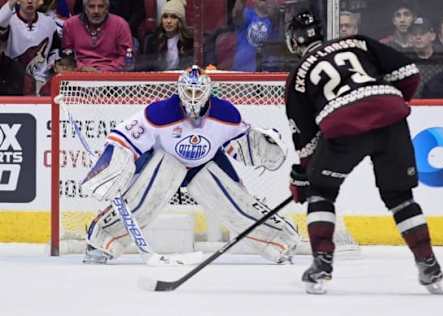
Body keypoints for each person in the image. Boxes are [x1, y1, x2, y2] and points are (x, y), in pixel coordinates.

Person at [284, 11, 443, 295]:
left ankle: (322, 264)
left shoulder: (298, 75)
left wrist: (305, 175)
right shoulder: (357, 42)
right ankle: (428, 264)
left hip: (343, 126)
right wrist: (384, 103)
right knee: (400, 197)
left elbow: (306, 138)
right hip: (390, 118)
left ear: (295, 40)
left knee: (321, 192)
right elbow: (409, 74)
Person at [80, 65, 300, 265]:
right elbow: (125, 136)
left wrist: (261, 142)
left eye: (197, 92)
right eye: (188, 92)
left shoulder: (226, 113)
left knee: (239, 205)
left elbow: (239, 141)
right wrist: (109, 161)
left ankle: (281, 241)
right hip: (167, 159)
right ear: (179, 90)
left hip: (207, 161)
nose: (193, 98)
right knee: (141, 205)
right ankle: (100, 241)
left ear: (208, 92)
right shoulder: (160, 113)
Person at [0, 0, 61, 95]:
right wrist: (11, 2)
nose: (29, 1)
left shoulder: (49, 22)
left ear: (39, 1)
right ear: (18, 1)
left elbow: (55, 48)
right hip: (14, 81)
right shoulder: (9, 21)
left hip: (42, 79)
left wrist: (53, 61)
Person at [62, 0, 133, 72]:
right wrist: (82, 68)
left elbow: (125, 56)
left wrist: (104, 71)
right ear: (85, 8)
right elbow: (67, 55)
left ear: (106, 9)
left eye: (101, 6)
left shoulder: (121, 24)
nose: (96, 11)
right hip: (79, 73)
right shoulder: (70, 25)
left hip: (112, 73)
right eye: (91, 6)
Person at [139, 0, 193, 71]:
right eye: (165, 17)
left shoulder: (189, 41)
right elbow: (146, 67)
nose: (168, 21)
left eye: (173, 17)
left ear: (180, 21)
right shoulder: (152, 40)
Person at [231, 0, 279, 71]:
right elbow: (237, 13)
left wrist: (275, 13)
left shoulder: (274, 19)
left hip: (268, 69)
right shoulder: (246, 14)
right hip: (243, 68)